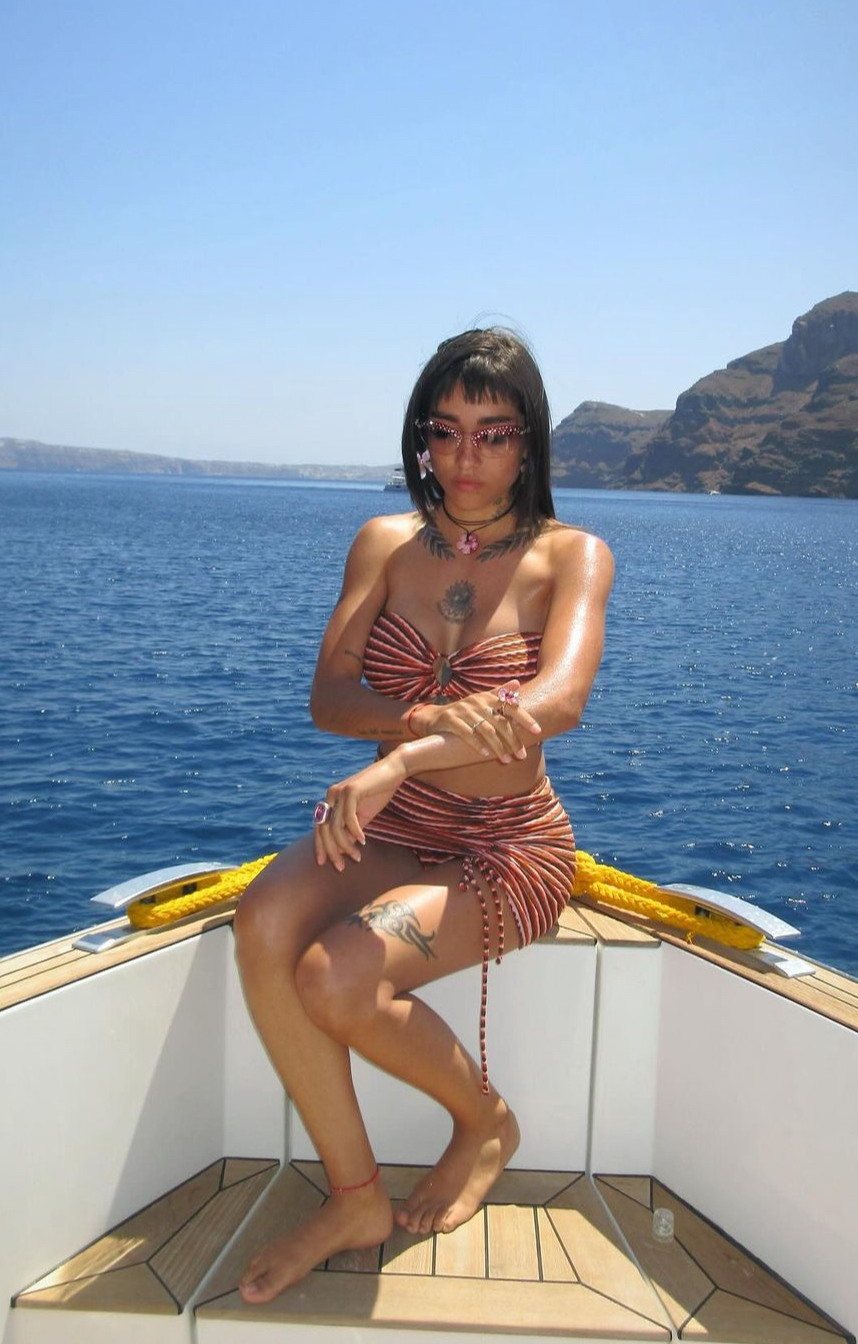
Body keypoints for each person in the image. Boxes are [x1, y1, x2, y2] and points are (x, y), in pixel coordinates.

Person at [233, 327, 614, 1303]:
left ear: (529, 443)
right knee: (262, 922)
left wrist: (398, 759)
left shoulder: (572, 557)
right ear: (420, 439)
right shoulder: (384, 544)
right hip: (397, 831)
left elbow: (558, 704)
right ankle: (355, 1196)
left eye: (493, 434)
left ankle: (485, 1123)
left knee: (335, 978)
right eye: (445, 432)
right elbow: (329, 695)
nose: (465, 457)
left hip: (505, 849)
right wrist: (421, 723)